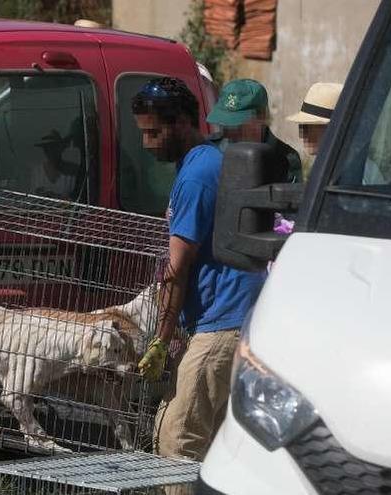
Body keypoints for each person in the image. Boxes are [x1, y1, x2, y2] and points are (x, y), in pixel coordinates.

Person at [132, 78, 265, 462]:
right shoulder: (204, 163)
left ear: (183, 123)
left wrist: (161, 338)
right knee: (208, 441)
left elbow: (177, 267)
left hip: (221, 322)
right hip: (229, 319)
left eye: (154, 132)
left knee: (178, 438)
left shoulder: (195, 177)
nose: (147, 143)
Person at [207, 79, 302, 183]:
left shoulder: (286, 160)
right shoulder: (210, 148)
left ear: (262, 117)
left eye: (238, 124)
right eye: (226, 123)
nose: (230, 132)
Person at [32, 129, 79, 199]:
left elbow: (78, 199)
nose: (50, 151)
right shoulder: (37, 172)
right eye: (47, 148)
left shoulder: (73, 171)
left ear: (61, 148)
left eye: (53, 147)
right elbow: (32, 197)